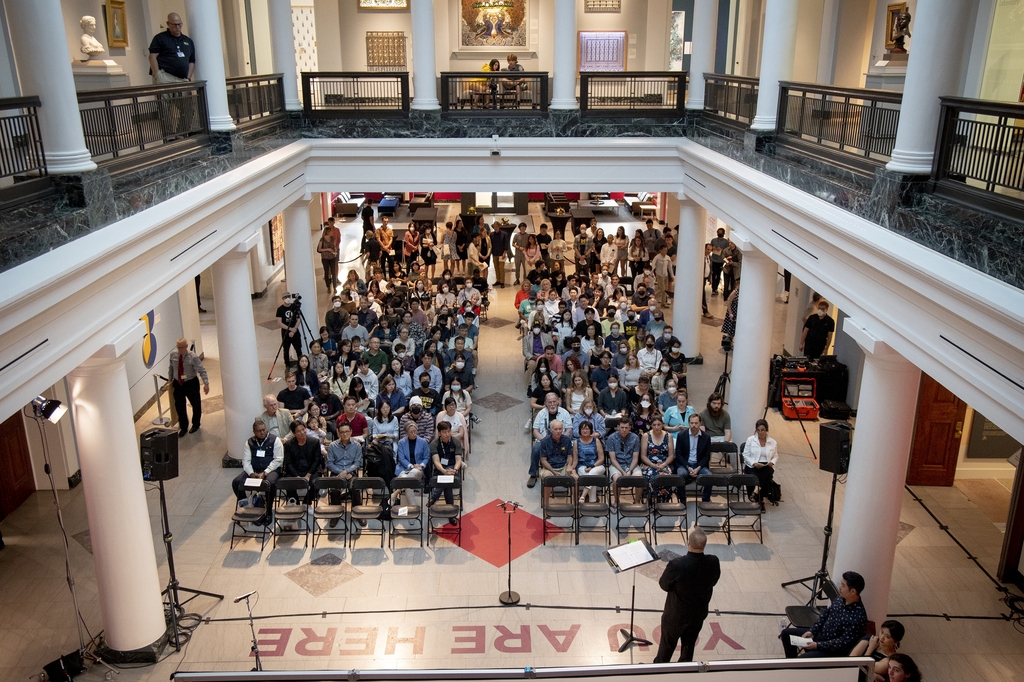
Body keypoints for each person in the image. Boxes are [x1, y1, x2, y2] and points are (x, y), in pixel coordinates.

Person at [653, 526, 721, 663]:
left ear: (688, 543)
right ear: (704, 545)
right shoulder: (713, 561)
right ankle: (685, 670)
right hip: (698, 614)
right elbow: (714, 581)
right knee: (688, 647)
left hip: (676, 616)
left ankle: (659, 670)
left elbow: (664, 585)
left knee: (667, 646)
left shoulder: (677, 565)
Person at [780, 571, 867, 658]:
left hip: (831, 650)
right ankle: (791, 663)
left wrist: (817, 645)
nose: (840, 588)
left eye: (843, 586)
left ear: (853, 591)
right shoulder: (840, 599)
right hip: (820, 636)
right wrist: (812, 631)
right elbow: (825, 615)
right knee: (786, 634)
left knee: (801, 660)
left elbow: (842, 643)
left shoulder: (858, 618)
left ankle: (796, 667)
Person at [231, 420, 284, 503]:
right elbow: (246, 461)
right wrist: (251, 473)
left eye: (264, 430)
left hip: (271, 470)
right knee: (236, 482)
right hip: (254, 471)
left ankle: (268, 510)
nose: (262, 432)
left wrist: (265, 472)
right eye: (259, 431)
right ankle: (244, 503)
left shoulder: (275, 440)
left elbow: (279, 459)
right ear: (254, 432)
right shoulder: (249, 442)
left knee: (270, 483)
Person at [528, 393, 572, 488]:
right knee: (536, 449)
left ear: (558, 402)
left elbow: (569, 429)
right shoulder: (541, 413)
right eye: (550, 402)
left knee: (573, 449)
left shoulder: (565, 413)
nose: (552, 404)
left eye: (554, 402)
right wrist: (544, 441)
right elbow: (535, 430)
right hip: (544, 440)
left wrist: (561, 439)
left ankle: (568, 471)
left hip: (561, 440)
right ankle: (533, 474)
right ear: (546, 403)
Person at [168, 337, 209, 437]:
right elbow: (171, 368)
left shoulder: (193, 357)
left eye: (182, 347)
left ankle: (195, 424)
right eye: (178, 347)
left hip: (191, 383)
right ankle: (183, 426)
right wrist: (170, 380)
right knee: (179, 406)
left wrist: (206, 383)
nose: (180, 349)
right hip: (178, 383)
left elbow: (201, 370)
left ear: (186, 346)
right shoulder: (173, 355)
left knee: (195, 404)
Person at [428, 422, 463, 524]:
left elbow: (458, 460)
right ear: (439, 433)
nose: (447, 434)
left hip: (453, 469)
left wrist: (455, 470)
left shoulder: (456, 442)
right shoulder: (434, 444)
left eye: (449, 431)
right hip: (440, 470)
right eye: (444, 432)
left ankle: (434, 498)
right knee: (447, 484)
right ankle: (451, 514)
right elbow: (436, 461)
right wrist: (444, 471)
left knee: (448, 480)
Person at [536, 420, 575, 506]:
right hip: (549, 468)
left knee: (575, 477)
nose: (558, 431)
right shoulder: (544, 442)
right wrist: (553, 472)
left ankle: (575, 504)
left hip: (563, 465)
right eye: (556, 429)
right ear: (551, 430)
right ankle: (546, 504)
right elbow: (543, 460)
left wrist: (569, 466)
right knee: (548, 478)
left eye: (560, 429)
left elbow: (569, 456)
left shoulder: (567, 440)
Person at [148, 13, 195, 84]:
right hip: (165, 77)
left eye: (179, 24)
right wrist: (158, 75)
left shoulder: (187, 41)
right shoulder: (160, 38)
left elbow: (191, 61)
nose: (178, 27)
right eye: (175, 25)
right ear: (168, 24)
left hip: (183, 79)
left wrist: (188, 78)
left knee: (185, 95)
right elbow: (152, 57)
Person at [742, 419, 778, 508]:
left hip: (766, 465)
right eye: (758, 430)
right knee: (759, 476)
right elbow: (745, 454)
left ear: (766, 430)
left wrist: (772, 463)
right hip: (752, 464)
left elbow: (775, 456)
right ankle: (760, 499)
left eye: (762, 430)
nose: (760, 432)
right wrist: (753, 463)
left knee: (765, 474)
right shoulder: (750, 440)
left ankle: (756, 493)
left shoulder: (773, 442)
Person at [676, 414, 712, 502]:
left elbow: (707, 456)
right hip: (685, 464)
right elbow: (679, 454)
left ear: (700, 423)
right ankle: (682, 499)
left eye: (696, 423)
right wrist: (688, 467)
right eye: (692, 423)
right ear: (689, 423)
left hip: (699, 465)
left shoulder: (706, 437)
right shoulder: (681, 435)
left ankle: (706, 500)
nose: (694, 425)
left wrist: (698, 468)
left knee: (709, 476)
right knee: (680, 475)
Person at [283, 422, 320, 503]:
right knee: (288, 482)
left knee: (317, 483)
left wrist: (308, 475)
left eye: (303, 429)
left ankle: (306, 503)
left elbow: (317, 460)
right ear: (294, 433)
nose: (302, 432)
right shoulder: (289, 445)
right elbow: (288, 463)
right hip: (295, 472)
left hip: (310, 471)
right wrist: (296, 476)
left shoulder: (315, 442)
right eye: (298, 431)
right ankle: (295, 503)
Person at [573, 420, 606, 503]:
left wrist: (592, 466)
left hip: (597, 465)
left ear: (591, 430)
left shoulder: (596, 441)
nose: (585, 431)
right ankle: (593, 501)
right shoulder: (576, 442)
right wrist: (572, 469)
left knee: (592, 473)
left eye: (587, 429)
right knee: (591, 477)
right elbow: (575, 459)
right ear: (580, 430)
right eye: (583, 429)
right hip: (582, 466)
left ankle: (583, 496)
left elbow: (601, 458)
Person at [276, 291, 302, 369]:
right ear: (282, 299)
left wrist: (294, 329)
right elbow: (279, 322)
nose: (287, 299)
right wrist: (290, 329)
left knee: (298, 348)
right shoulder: (280, 309)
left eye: (288, 297)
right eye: (285, 297)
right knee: (286, 349)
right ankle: (287, 364)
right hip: (285, 332)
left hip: (295, 331)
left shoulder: (294, 307)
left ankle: (301, 362)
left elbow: (299, 319)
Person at [317, 221, 339, 293]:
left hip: (332, 257)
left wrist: (334, 251)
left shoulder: (332, 239)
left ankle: (335, 287)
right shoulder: (322, 240)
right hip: (325, 258)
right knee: (326, 272)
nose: (332, 232)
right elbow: (319, 249)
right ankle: (328, 286)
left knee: (333, 272)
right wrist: (328, 249)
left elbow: (334, 247)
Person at [709, 227, 729, 295]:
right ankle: (713, 288)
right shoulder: (713, 240)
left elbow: (727, 251)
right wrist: (713, 248)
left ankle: (716, 288)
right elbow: (709, 248)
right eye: (718, 232)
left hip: (720, 261)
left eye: (721, 232)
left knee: (718, 274)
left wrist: (722, 249)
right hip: (714, 259)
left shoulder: (726, 242)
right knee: (713, 274)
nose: (719, 234)